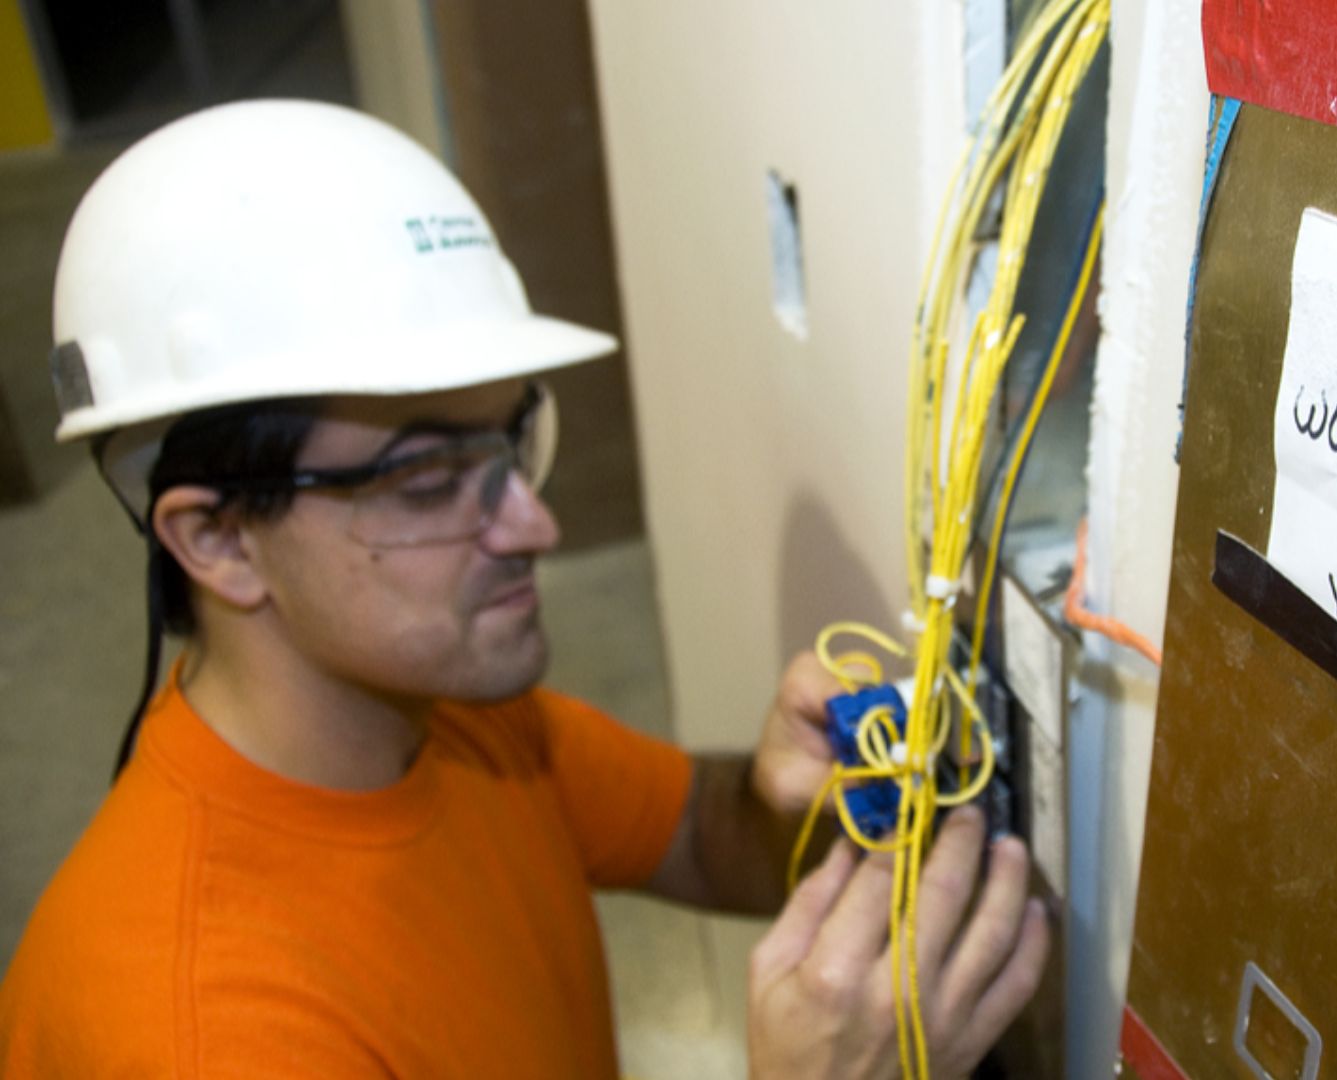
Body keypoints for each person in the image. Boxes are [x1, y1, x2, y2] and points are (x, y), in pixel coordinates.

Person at [0, 100, 1048, 1078]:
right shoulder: (197, 1030)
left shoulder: (435, 712)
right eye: (425, 481)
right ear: (218, 540)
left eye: (510, 444)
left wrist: (805, 799)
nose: (534, 525)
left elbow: (689, 832)